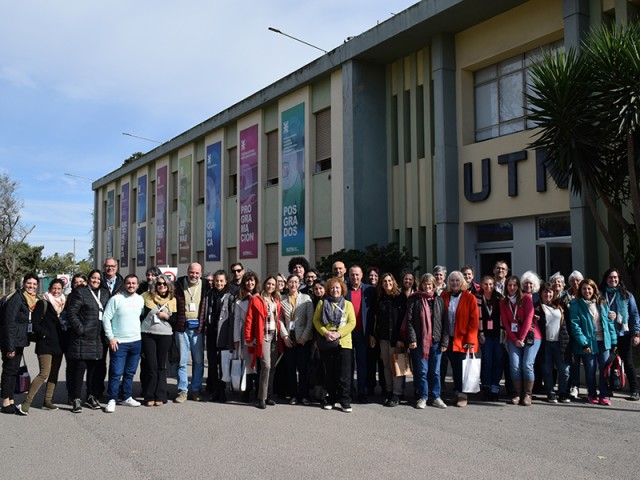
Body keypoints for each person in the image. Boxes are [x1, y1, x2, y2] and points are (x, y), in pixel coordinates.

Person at [66, 270, 110, 413]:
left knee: (94, 370)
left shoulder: (104, 293)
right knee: (79, 369)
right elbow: (71, 312)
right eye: (93, 278)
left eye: (98, 278)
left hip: (99, 338)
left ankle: (91, 396)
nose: (96, 280)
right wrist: (81, 329)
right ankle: (76, 398)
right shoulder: (81, 292)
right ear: (89, 279)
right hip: (83, 338)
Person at [20, 279, 66, 414]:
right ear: (50, 288)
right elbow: (34, 323)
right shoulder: (43, 303)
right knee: (44, 373)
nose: (56, 291)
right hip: (45, 344)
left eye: (59, 289)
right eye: (54, 288)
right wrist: (45, 334)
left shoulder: (63, 303)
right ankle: (26, 402)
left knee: (54, 374)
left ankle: (48, 400)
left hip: (59, 344)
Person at [404, 273, 448, 409]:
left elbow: (445, 322)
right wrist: (412, 339)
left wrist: (445, 342)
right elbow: (409, 321)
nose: (427, 286)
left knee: (435, 371)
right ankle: (423, 396)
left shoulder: (439, 300)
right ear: (421, 285)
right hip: (419, 341)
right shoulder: (414, 300)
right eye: (425, 284)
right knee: (422, 370)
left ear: (433, 285)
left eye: (430, 284)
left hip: (436, 341)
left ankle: (436, 396)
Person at [570, 278, 617, 405]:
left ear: (594, 289)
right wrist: (583, 343)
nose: (586, 291)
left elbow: (609, 323)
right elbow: (575, 326)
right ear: (580, 290)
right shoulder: (576, 304)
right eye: (584, 288)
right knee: (590, 369)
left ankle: (604, 394)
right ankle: (591, 394)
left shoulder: (602, 302)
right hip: (588, 342)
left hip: (604, 341)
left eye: (589, 288)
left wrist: (614, 341)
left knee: (604, 369)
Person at [313, 277, 356, 412]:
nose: (335, 290)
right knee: (329, 372)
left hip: (344, 342)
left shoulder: (348, 304)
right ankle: (331, 398)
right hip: (327, 342)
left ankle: (345, 400)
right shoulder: (322, 303)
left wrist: (339, 334)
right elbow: (316, 320)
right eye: (332, 288)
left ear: (342, 289)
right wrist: (325, 333)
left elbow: (352, 322)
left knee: (344, 373)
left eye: (337, 287)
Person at [102, 274, 144, 413]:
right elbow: (106, 318)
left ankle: (126, 397)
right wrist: (111, 337)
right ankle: (112, 399)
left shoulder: (140, 299)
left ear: (137, 285)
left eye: (134, 283)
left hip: (136, 341)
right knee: (116, 372)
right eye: (128, 283)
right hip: (119, 342)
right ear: (124, 284)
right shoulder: (116, 299)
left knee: (130, 372)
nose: (131, 285)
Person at [598, 268, 639, 401]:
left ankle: (635, 390)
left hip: (623, 333)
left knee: (628, 362)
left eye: (615, 277)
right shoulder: (600, 295)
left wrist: (637, 333)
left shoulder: (626, 295)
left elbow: (634, 315)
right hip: (606, 334)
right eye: (610, 277)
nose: (613, 280)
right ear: (606, 279)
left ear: (619, 279)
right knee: (607, 363)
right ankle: (608, 389)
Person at [1, 273, 39, 415]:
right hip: (11, 341)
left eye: (34, 284)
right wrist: (10, 347)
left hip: (19, 340)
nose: (32, 286)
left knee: (13, 370)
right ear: (24, 284)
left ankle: (10, 399)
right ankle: (5, 401)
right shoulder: (17, 298)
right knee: (9, 370)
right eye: (29, 283)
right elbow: (9, 323)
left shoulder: (28, 299)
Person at [440, 271, 479, 407]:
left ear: (462, 282)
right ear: (448, 283)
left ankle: (463, 395)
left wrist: (470, 340)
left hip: (463, 339)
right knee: (455, 367)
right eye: (452, 281)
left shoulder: (469, 298)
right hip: (448, 338)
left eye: (457, 280)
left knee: (463, 368)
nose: (454, 283)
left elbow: (474, 321)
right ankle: (457, 392)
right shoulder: (444, 296)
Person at [500, 276, 541, 406]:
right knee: (515, 366)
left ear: (518, 287)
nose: (512, 288)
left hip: (531, 336)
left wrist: (521, 338)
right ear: (506, 287)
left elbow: (529, 318)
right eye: (509, 285)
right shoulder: (503, 302)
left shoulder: (526, 298)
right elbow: (506, 323)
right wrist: (515, 339)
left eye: (514, 285)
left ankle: (528, 395)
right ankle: (517, 393)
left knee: (527, 365)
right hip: (514, 337)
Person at [245, 276, 283, 409]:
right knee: (265, 365)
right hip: (263, 336)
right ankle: (261, 397)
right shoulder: (256, 299)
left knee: (272, 367)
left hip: (274, 336)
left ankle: (269, 395)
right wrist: (249, 338)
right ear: (264, 284)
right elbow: (249, 319)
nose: (271, 286)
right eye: (268, 284)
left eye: (273, 284)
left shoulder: (276, 300)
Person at [368, 273, 405, 407]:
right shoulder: (379, 298)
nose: (387, 283)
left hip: (397, 338)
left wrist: (402, 338)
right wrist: (372, 334)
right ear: (381, 284)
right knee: (386, 366)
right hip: (383, 338)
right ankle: (389, 391)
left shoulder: (400, 298)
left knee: (397, 366)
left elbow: (404, 320)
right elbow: (374, 318)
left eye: (389, 280)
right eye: (384, 281)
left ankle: (397, 393)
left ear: (393, 282)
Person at [140, 274, 176, 406]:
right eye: (159, 284)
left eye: (164, 284)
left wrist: (166, 316)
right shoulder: (146, 297)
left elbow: (175, 320)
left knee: (161, 366)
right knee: (151, 366)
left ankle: (160, 395)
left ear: (168, 286)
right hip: (148, 334)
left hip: (165, 335)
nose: (161, 286)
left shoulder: (172, 300)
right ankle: (149, 395)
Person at [173, 263, 207, 403]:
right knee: (182, 361)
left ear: (201, 273)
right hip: (182, 327)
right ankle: (182, 390)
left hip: (198, 329)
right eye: (191, 272)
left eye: (197, 273)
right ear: (187, 271)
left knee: (198, 361)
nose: (194, 275)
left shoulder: (205, 285)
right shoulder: (178, 284)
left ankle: (196, 389)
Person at [280, 274, 314, 405]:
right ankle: (293, 395)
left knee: (303, 369)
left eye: (296, 282)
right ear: (287, 284)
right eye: (291, 282)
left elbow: (310, 320)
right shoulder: (282, 299)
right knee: (290, 369)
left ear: (299, 284)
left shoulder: (306, 299)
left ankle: (304, 395)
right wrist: (285, 336)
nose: (293, 284)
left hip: (303, 340)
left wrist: (304, 337)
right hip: (289, 339)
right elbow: (280, 320)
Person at [536, 282, 571, 403]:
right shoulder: (537, 307)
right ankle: (550, 392)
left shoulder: (561, 306)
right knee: (547, 370)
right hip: (545, 343)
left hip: (560, 342)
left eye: (550, 291)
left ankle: (562, 392)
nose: (547, 294)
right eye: (545, 291)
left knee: (564, 370)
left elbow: (568, 323)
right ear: (541, 293)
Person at [345, 265, 375, 403]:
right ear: (349, 275)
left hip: (363, 333)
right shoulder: (344, 290)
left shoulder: (369, 290)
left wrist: (372, 334)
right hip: (347, 333)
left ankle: (361, 392)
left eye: (357, 274)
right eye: (352, 275)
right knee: (348, 364)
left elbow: (374, 313)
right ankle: (350, 392)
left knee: (362, 364)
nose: (355, 277)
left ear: (362, 275)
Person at [205, 270, 235, 403]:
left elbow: (231, 319)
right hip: (211, 334)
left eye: (221, 281)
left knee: (223, 365)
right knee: (212, 364)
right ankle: (215, 390)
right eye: (217, 280)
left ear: (226, 282)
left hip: (223, 335)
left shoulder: (229, 297)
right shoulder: (209, 294)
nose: (218, 283)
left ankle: (223, 391)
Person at [233, 271, 260, 401]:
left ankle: (259, 391)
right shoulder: (239, 301)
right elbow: (237, 321)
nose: (250, 283)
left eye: (252, 281)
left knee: (259, 364)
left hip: (259, 334)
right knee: (248, 364)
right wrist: (236, 339)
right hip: (246, 335)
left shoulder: (261, 297)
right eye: (248, 281)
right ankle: (247, 390)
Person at [477, 275, 504, 401]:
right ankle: (486, 387)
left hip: (498, 335)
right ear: (481, 285)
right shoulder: (477, 298)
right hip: (484, 335)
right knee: (487, 361)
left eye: (491, 284)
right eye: (486, 284)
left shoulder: (499, 298)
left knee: (498, 360)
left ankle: (495, 388)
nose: (488, 287)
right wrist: (479, 333)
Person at [565, 270, 584, 399]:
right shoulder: (565, 296)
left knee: (589, 363)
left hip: (586, 333)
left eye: (578, 280)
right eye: (572, 281)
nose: (575, 283)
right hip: (571, 334)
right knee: (574, 362)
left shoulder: (587, 293)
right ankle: (574, 386)